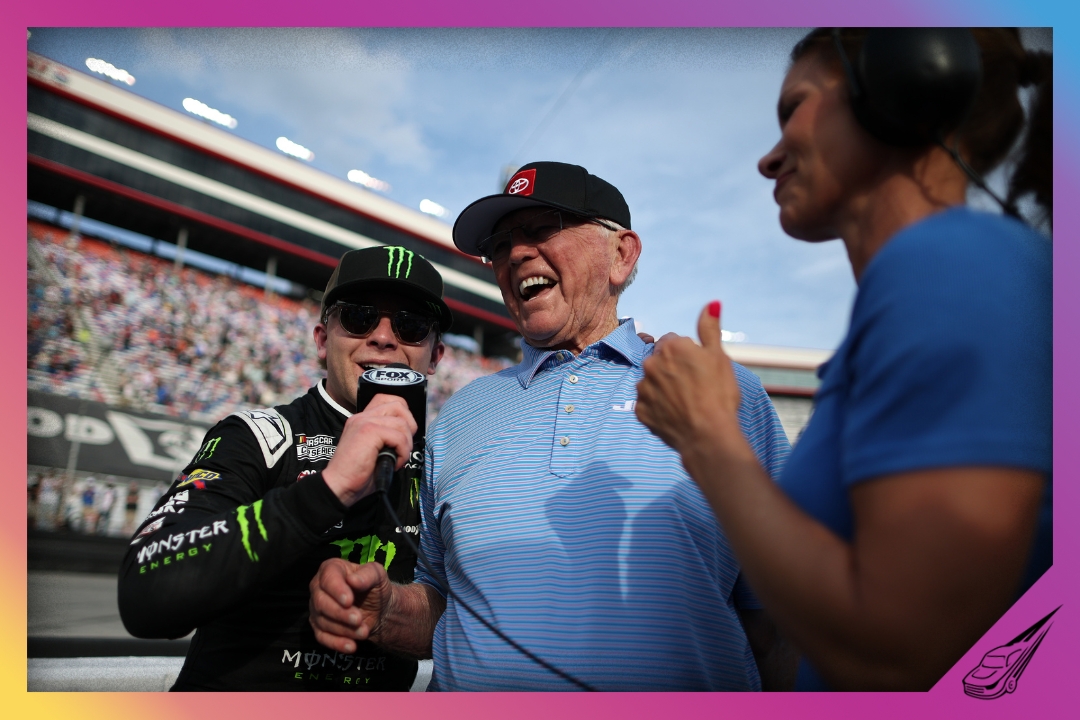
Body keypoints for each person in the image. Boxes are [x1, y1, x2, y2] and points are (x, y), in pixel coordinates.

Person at [634, 28, 1052, 691]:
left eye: (792, 108)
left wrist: (705, 434)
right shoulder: (933, 281)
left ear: (899, 84)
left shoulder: (954, 263)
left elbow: (905, 652)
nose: (766, 159)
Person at [309, 161, 795, 691]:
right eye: (500, 244)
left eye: (543, 230)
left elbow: (784, 621)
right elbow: (445, 600)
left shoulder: (721, 391)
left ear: (621, 253)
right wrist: (387, 612)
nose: (515, 253)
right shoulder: (460, 414)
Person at [118, 246, 452, 691]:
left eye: (411, 326)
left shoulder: (446, 466)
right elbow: (145, 594)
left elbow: (474, 616)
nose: (384, 338)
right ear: (321, 340)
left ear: (435, 357)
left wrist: (391, 610)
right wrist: (327, 490)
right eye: (358, 317)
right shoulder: (256, 436)